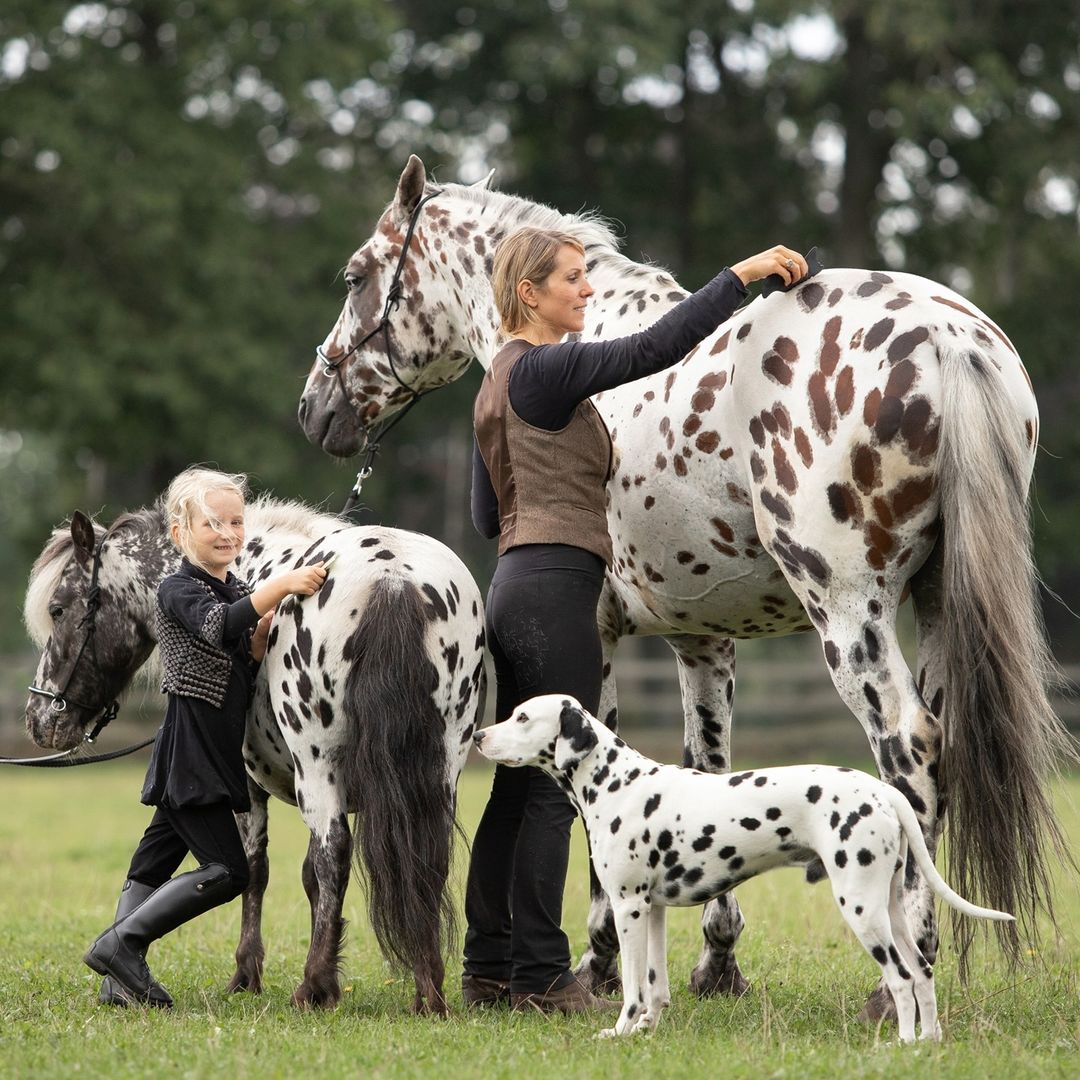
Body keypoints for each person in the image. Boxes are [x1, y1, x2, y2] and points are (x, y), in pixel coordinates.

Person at [463, 227, 808, 1013]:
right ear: (530, 294)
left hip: (513, 584)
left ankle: (489, 967)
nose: (587, 292)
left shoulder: (494, 385)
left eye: (588, 278)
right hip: (557, 589)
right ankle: (546, 979)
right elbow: (653, 348)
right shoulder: (547, 370)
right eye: (573, 280)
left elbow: (487, 514)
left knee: (515, 791)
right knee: (555, 793)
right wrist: (742, 274)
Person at [83, 466, 328, 1007]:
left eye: (235, 521)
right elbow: (218, 626)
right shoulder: (177, 588)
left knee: (151, 864)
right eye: (211, 522)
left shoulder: (229, 586)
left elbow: (235, 654)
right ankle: (120, 945)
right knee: (229, 870)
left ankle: (116, 980)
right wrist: (281, 586)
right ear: (179, 533)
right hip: (194, 754)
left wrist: (260, 639)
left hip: (200, 748)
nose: (226, 532)